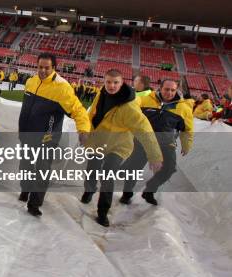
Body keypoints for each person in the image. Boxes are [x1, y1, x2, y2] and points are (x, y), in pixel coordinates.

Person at [81, 69, 163, 227]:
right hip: (98, 142)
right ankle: (89, 189)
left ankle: (103, 212)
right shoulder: (101, 93)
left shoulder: (129, 107)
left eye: (116, 82)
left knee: (107, 175)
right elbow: (92, 114)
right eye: (108, 82)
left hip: (118, 146)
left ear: (122, 82)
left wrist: (154, 155)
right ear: (104, 82)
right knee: (92, 168)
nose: (111, 86)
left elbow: (144, 129)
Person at [18, 53, 91, 216]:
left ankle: (34, 204)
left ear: (54, 68)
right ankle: (26, 189)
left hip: (47, 137)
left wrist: (83, 130)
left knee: (42, 169)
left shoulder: (62, 87)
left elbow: (78, 110)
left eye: (47, 68)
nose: (43, 70)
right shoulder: (31, 82)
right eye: (40, 67)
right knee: (26, 165)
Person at [120, 79, 194, 205]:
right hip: (143, 140)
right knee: (133, 168)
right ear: (160, 88)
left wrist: (186, 144)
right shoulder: (145, 100)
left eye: (172, 90)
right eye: (166, 89)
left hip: (166, 143)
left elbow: (187, 129)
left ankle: (150, 190)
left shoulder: (183, 108)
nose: (169, 92)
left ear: (176, 90)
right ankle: (127, 193)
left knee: (169, 168)